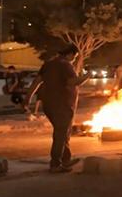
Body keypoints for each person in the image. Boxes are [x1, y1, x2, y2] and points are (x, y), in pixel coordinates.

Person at [27, 45, 89, 173]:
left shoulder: (48, 64)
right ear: (70, 54)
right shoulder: (65, 65)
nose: (74, 60)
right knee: (61, 134)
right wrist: (86, 77)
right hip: (63, 104)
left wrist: (27, 99)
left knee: (64, 132)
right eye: (75, 57)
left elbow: (36, 82)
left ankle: (66, 159)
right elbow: (72, 82)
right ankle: (55, 164)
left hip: (49, 104)